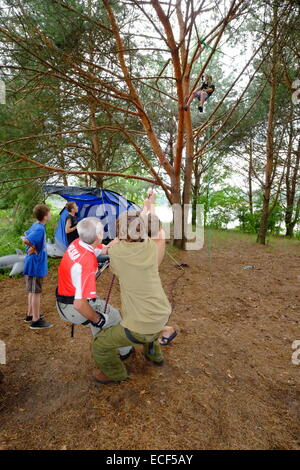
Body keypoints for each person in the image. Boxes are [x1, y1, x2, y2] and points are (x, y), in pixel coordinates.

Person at [91, 211, 172, 384]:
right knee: (149, 327)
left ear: (120, 232)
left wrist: (117, 239)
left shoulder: (116, 252)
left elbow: (105, 250)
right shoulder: (151, 245)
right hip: (161, 313)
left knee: (100, 344)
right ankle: (154, 355)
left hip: (140, 326)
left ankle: (115, 374)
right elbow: (153, 232)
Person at [55, 217, 132, 358]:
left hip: (64, 300)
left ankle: (102, 348)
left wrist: (114, 244)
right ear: (99, 236)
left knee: (99, 315)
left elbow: (99, 250)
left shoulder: (77, 243)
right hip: (73, 306)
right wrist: (97, 319)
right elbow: (79, 304)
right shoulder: (88, 263)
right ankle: (125, 352)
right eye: (102, 230)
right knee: (112, 316)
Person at [142, 189, 177, 346]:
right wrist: (150, 202)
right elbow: (150, 220)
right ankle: (160, 329)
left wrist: (146, 206)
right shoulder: (160, 233)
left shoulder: (151, 239)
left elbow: (142, 222)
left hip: (148, 278)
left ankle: (166, 330)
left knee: (147, 309)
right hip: (150, 275)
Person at [23, 204, 53, 330]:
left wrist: (33, 246)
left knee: (32, 291)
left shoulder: (37, 225)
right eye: (49, 213)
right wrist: (33, 247)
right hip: (35, 265)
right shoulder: (40, 228)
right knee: (36, 293)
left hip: (34, 264)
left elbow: (25, 234)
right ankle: (35, 320)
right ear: (45, 216)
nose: (50, 214)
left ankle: (30, 315)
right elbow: (25, 239)